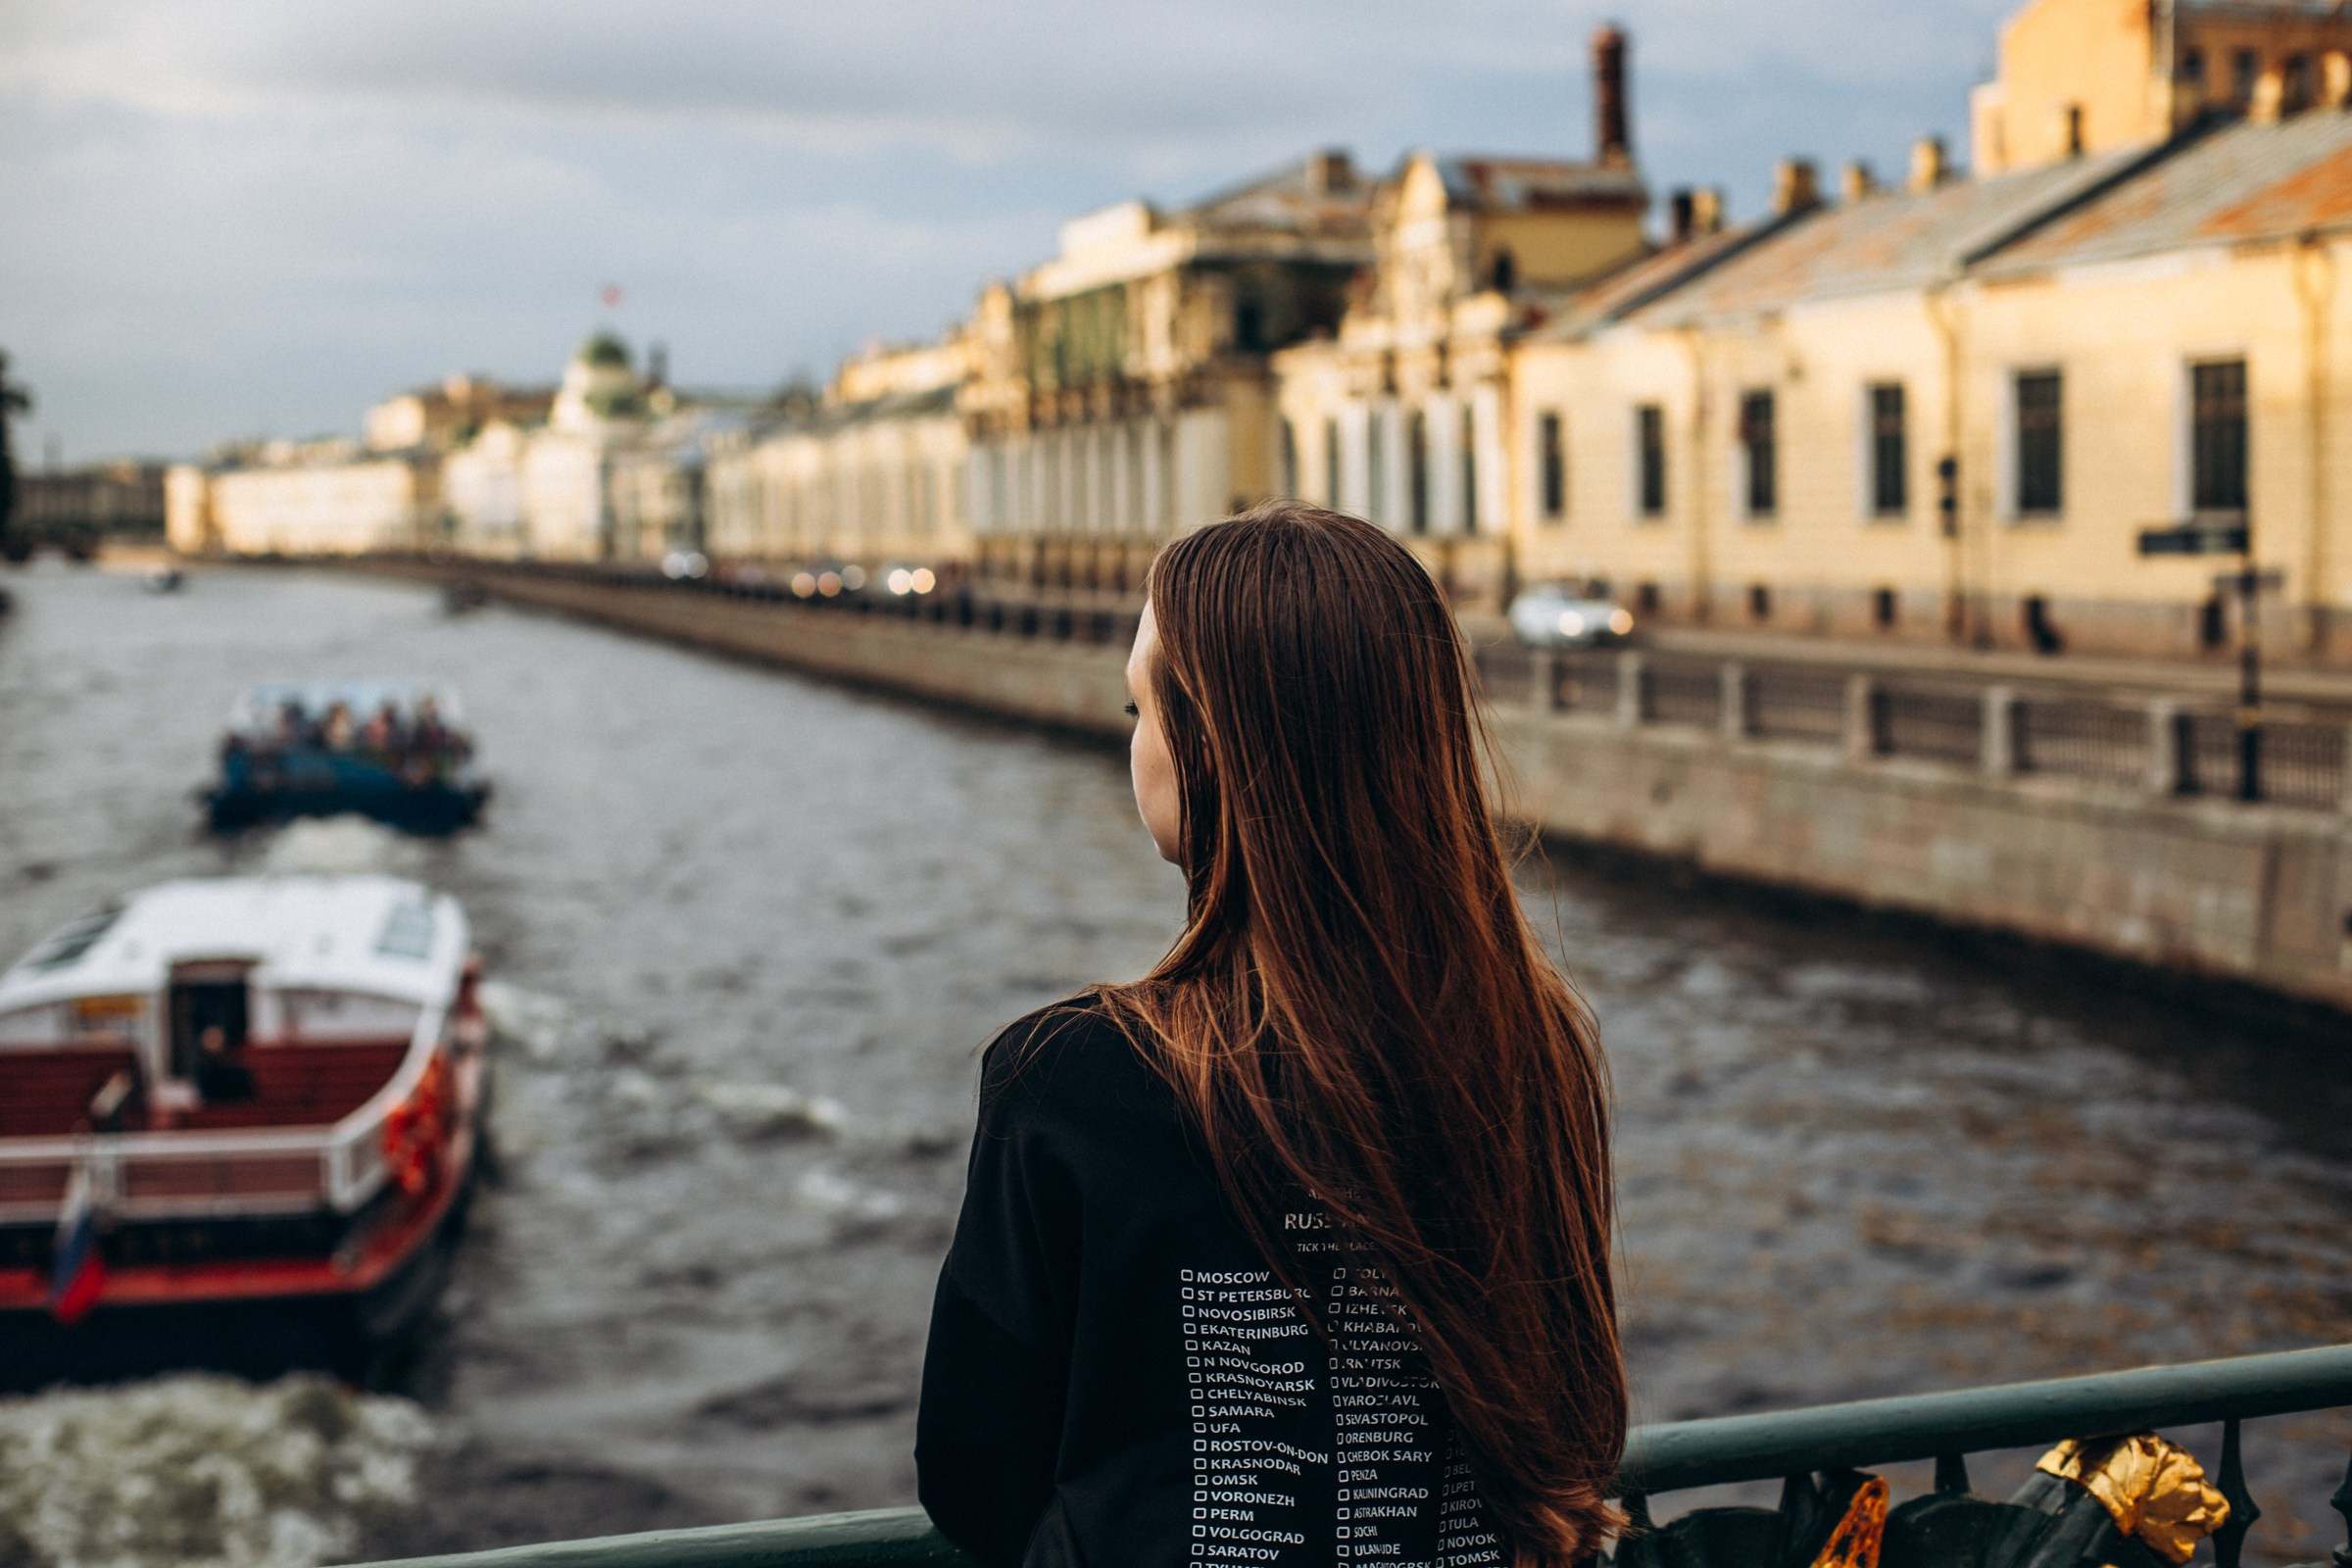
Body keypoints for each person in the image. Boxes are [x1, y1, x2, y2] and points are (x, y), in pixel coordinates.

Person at [916, 504, 1625, 1568]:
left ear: (1207, 747)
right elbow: (1576, 1417)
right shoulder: (1535, 1048)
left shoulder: (1071, 1076)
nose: (1133, 743)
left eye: (1138, 708)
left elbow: (974, 1468)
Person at [192, 1024, 255, 1103]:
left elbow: (247, 1097)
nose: (214, 1044)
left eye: (216, 1039)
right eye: (211, 1040)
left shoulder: (237, 1069)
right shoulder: (202, 1071)